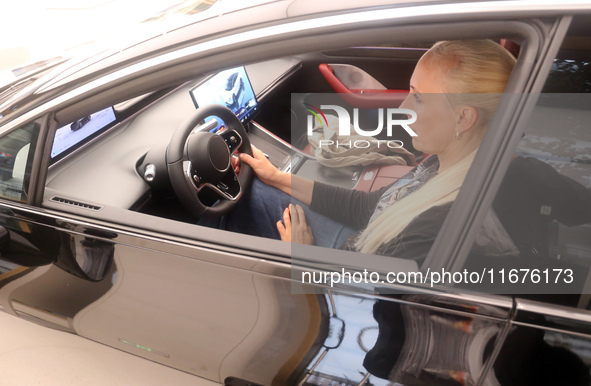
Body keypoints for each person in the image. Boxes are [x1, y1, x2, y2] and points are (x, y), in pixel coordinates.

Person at [223, 40, 517, 262]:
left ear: (463, 118)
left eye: (418, 98)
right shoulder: (447, 163)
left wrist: (302, 258)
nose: (404, 109)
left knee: (243, 200)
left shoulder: (437, 228)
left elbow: (359, 305)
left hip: (341, 272)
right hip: (364, 245)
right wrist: (277, 177)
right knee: (259, 189)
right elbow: (369, 207)